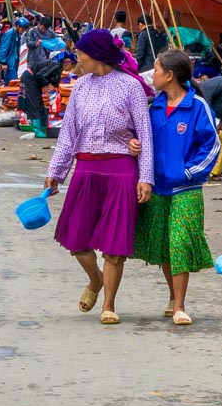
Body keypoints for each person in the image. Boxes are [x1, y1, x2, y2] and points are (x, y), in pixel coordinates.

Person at [44, 27, 153, 326]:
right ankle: (95, 280)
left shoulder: (131, 87)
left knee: (114, 245)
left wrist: (146, 177)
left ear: (97, 55)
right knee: (76, 239)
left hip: (120, 170)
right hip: (86, 169)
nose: (76, 58)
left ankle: (109, 304)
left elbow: (144, 134)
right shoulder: (79, 87)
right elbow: (68, 134)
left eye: (80, 53)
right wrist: (55, 172)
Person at [131, 49, 219, 324]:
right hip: (157, 187)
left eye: (156, 70)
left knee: (180, 242)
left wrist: (190, 172)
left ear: (169, 75)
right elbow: (142, 138)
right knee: (165, 246)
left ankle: (180, 306)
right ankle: (173, 296)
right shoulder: (154, 107)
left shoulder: (197, 107)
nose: (152, 75)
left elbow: (212, 144)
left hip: (187, 188)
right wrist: (134, 146)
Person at [22, 19, 64, 140]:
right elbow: (28, 44)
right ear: (39, 24)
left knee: (41, 102)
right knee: (35, 101)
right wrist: (48, 85)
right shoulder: (31, 32)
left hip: (45, 62)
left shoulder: (51, 34)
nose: (43, 30)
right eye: (42, 28)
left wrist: (54, 87)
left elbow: (54, 78)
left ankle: (43, 127)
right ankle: (37, 129)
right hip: (33, 68)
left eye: (45, 28)